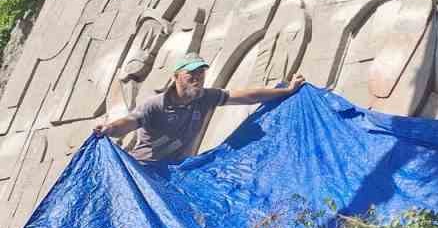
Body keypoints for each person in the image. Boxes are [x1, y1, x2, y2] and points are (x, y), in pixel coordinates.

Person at [92, 57, 307, 165]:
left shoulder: (205, 98)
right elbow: (129, 122)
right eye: (191, 74)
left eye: (201, 74)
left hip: (176, 172)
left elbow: (247, 96)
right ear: (175, 77)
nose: (198, 78)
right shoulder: (155, 104)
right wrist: (109, 128)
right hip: (143, 169)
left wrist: (287, 91)